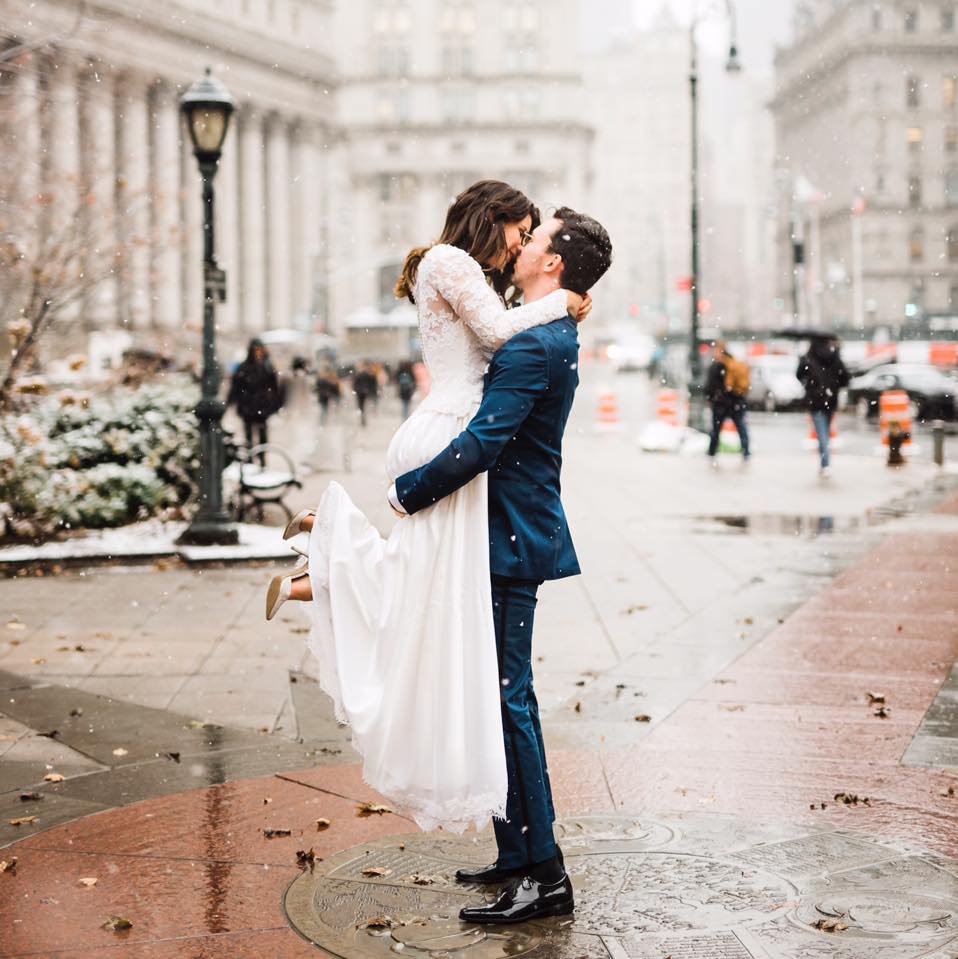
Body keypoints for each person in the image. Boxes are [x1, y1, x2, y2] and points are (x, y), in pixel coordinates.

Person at [264, 181, 588, 838]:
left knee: (419, 591)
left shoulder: (460, 270)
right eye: (518, 230)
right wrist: (559, 303)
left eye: (531, 236)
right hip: (448, 436)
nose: (521, 244)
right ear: (489, 218)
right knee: (429, 602)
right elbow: (498, 334)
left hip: (446, 433)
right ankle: (329, 549)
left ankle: (325, 551)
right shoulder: (451, 262)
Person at [389, 207, 613, 925]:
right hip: (509, 531)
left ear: (553, 264)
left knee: (510, 698)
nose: (519, 248)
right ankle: (516, 852)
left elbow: (484, 442)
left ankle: (545, 874)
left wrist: (407, 493)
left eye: (534, 241)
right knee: (500, 696)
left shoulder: (533, 345)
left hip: (509, 536)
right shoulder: (548, 328)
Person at [797, 336, 849, 477]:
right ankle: (825, 463)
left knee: (822, 434)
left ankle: (825, 464)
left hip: (815, 401)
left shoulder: (808, 358)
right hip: (831, 400)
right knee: (824, 432)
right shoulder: (834, 357)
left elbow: (799, 375)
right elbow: (845, 379)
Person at [226, 338, 282, 466]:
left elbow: (274, 388)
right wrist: (230, 402)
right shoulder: (244, 367)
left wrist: (275, 404)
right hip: (248, 406)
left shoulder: (267, 367)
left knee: (262, 434)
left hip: (261, 407)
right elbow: (236, 387)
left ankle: (262, 459)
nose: (258, 353)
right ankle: (250, 459)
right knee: (249, 435)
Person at [706, 341, 751, 463]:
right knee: (741, 427)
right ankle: (746, 451)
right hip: (736, 402)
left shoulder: (717, 366)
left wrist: (711, 398)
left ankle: (711, 452)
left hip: (721, 403)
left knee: (716, 430)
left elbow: (711, 386)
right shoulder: (734, 363)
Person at [352, 361, 378, 427]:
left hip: (365, 393)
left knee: (364, 407)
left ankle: (364, 418)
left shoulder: (369, 374)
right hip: (360, 393)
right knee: (361, 407)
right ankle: (363, 419)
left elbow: (373, 384)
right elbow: (355, 384)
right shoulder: (359, 375)